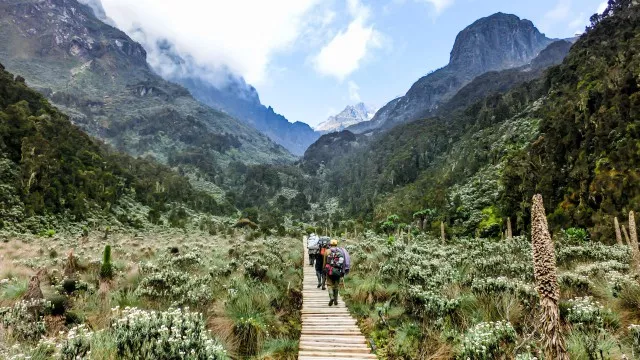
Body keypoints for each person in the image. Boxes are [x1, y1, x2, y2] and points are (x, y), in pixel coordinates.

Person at [324, 239, 345, 306]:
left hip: (329, 270)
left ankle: (331, 297)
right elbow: (343, 262)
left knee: (329, 284)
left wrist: (324, 269)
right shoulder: (340, 251)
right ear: (336, 244)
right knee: (336, 286)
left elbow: (324, 261)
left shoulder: (327, 251)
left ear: (330, 244)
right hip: (337, 271)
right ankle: (336, 300)